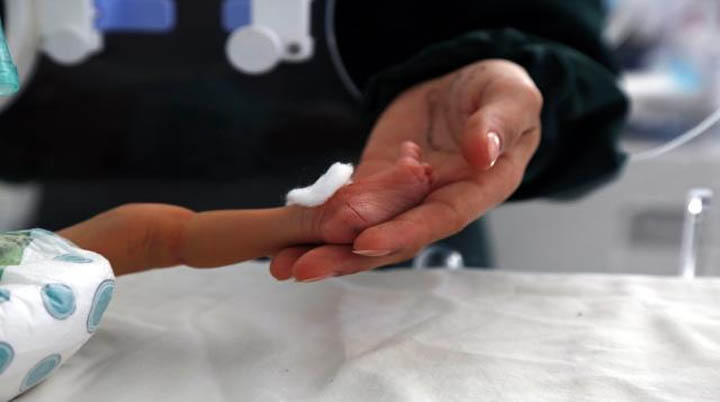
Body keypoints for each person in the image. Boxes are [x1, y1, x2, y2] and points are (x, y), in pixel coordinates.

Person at [0, 1, 628, 279]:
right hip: (86, 266)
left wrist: (519, 91)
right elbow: (155, 239)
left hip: (399, 270)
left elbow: (164, 237)